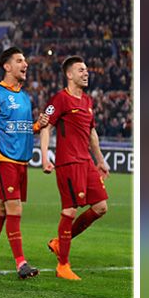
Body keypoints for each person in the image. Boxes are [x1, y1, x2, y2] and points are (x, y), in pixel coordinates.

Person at [0, 47, 47, 279]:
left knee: (2, 208)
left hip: (21, 160)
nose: (25, 64)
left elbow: (26, 129)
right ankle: (21, 263)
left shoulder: (25, 97)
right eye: (19, 60)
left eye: (25, 60)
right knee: (15, 207)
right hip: (3, 157)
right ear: (7, 66)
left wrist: (39, 124)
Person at [40, 56, 110, 280]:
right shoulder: (60, 99)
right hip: (68, 163)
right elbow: (45, 127)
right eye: (81, 70)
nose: (86, 73)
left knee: (100, 207)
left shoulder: (88, 101)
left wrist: (100, 160)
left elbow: (92, 134)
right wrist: (44, 157)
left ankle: (60, 243)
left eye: (87, 69)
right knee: (69, 210)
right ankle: (63, 266)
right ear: (69, 75)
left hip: (87, 162)